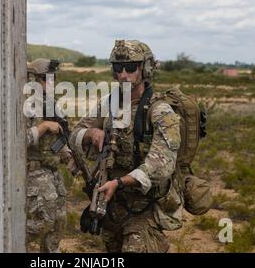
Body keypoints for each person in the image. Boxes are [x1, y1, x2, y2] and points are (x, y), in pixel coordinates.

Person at [70, 40, 183, 253]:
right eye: (118, 68)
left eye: (131, 68)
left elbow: (161, 163)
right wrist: (91, 133)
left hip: (144, 209)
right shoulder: (109, 103)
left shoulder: (160, 111)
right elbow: (73, 134)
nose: (123, 74)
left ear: (146, 69)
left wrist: (120, 182)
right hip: (111, 206)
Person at [25, 58, 70, 253]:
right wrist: (43, 127)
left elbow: (62, 135)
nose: (50, 83)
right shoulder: (25, 105)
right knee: (44, 221)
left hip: (52, 170)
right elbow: (18, 141)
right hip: (34, 170)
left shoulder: (52, 105)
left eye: (53, 78)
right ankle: (5, 242)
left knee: (59, 221)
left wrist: (66, 152)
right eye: (45, 79)